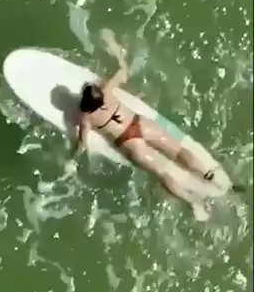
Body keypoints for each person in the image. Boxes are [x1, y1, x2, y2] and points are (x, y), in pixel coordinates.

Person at [71, 29, 244, 221]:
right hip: (142, 124)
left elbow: (83, 142)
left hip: (130, 143)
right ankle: (210, 175)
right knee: (179, 151)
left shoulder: (86, 118)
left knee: (165, 173)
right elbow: (123, 72)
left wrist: (74, 154)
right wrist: (115, 49)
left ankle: (193, 202)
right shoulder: (108, 91)